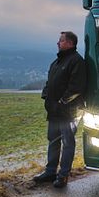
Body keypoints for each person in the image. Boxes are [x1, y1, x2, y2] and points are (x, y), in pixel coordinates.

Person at [34, 31, 86, 188]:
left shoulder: (77, 61)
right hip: (54, 111)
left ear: (70, 43)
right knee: (53, 141)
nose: (58, 43)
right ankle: (50, 172)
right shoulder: (56, 63)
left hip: (69, 112)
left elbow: (77, 87)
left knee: (67, 143)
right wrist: (46, 97)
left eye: (61, 40)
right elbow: (49, 83)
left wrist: (62, 102)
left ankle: (63, 176)